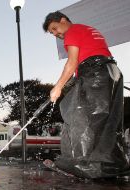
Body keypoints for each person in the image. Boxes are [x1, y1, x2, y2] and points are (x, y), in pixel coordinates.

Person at [42, 11, 129, 178]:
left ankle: (79, 165)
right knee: (108, 122)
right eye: (52, 33)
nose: (57, 34)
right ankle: (111, 166)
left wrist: (57, 87)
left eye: (55, 28)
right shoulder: (86, 29)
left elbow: (73, 62)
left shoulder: (72, 31)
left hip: (94, 74)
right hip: (112, 73)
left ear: (63, 20)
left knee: (79, 117)